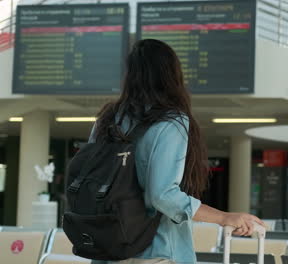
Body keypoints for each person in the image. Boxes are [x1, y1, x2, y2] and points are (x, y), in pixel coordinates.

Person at [89, 39, 264, 264]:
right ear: (172, 74)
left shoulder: (107, 120)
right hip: (156, 252)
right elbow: (162, 195)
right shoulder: (170, 121)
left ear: (130, 75)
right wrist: (224, 217)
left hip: (106, 249)